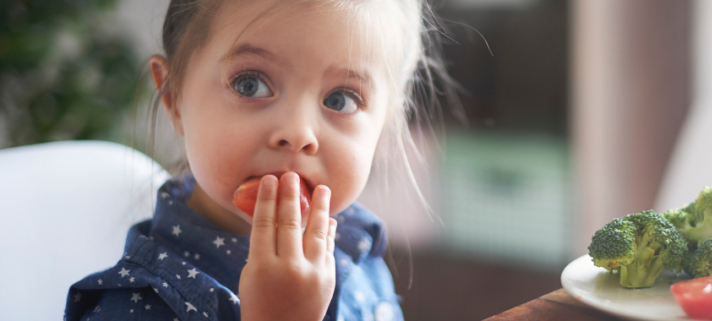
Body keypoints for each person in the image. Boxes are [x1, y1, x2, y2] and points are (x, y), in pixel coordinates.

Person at [64, 0, 451, 320]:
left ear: (384, 125)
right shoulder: (131, 308)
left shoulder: (359, 250)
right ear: (173, 97)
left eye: (340, 100)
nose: (298, 133)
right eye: (250, 84)